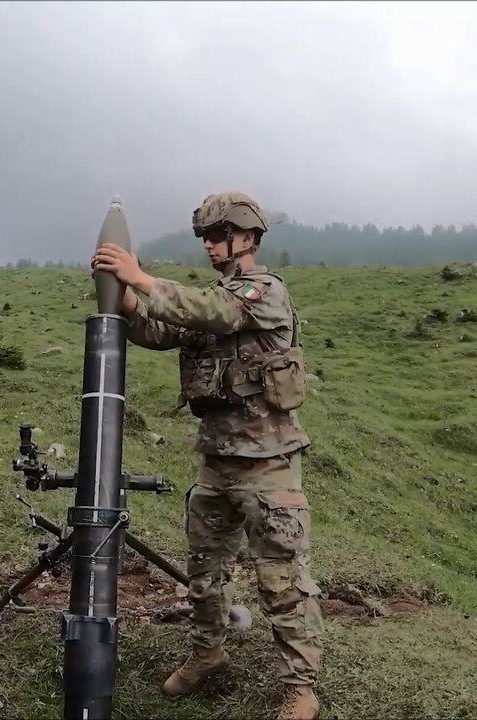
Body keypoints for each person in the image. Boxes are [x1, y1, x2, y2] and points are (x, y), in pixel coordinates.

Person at [90, 192, 323, 719]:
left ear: (246, 238)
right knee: (203, 571)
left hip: (268, 464)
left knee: (282, 578)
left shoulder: (262, 292)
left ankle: (301, 687)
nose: (209, 246)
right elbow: (160, 329)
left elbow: (210, 311)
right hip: (216, 459)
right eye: (204, 237)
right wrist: (127, 297)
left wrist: (142, 277)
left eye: (217, 236)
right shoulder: (213, 295)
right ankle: (207, 655)